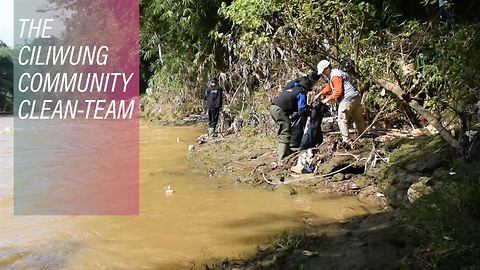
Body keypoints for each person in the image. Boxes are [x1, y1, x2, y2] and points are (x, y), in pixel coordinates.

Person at [315, 59, 366, 143]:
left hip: (347, 99)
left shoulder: (335, 76)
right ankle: (362, 135)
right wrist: (320, 93)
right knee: (358, 118)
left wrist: (327, 99)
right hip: (355, 96)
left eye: (323, 71)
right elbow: (329, 87)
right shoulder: (335, 73)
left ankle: (346, 140)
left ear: (327, 68)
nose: (323, 74)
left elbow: (338, 92)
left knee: (342, 119)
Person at [270, 76, 315, 161]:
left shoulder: (292, 90)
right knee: (285, 131)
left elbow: (295, 105)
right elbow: (301, 110)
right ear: (306, 88)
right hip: (280, 110)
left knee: (285, 129)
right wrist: (310, 113)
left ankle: (287, 151)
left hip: (273, 108)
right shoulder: (301, 93)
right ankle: (282, 157)